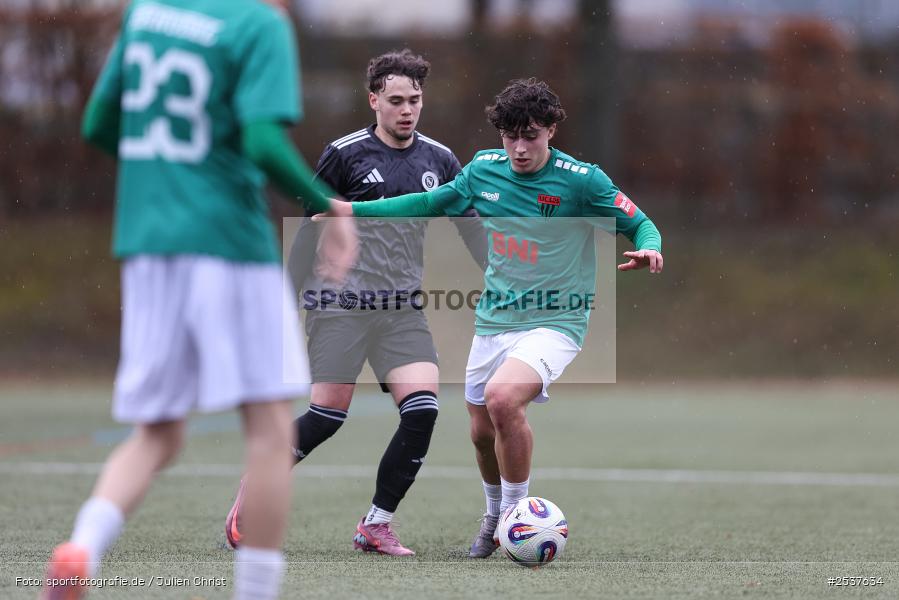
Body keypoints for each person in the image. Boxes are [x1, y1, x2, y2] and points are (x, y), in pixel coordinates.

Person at [40, 1, 356, 598]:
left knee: (158, 432)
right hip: (227, 243)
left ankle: (83, 546)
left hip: (148, 244)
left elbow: (99, 125)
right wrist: (326, 203)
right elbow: (262, 141)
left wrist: (170, 176)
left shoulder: (147, 12)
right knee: (266, 431)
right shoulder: (258, 23)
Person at [320, 78, 664, 558]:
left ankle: (513, 518)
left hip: (558, 320)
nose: (520, 149)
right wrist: (352, 210)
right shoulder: (483, 169)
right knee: (482, 434)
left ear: (552, 131)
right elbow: (426, 204)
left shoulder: (583, 180)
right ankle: (491, 515)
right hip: (495, 319)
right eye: (510, 136)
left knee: (504, 401)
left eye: (532, 136)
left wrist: (649, 247)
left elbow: (640, 222)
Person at [224, 49, 487, 557]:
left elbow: (472, 229)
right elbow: (307, 234)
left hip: (401, 308)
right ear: (374, 101)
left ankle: (376, 524)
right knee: (327, 415)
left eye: (414, 100)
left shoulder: (441, 160)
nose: (407, 109)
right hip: (339, 303)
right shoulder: (343, 155)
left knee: (423, 409)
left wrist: (503, 272)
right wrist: (284, 297)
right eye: (395, 100)